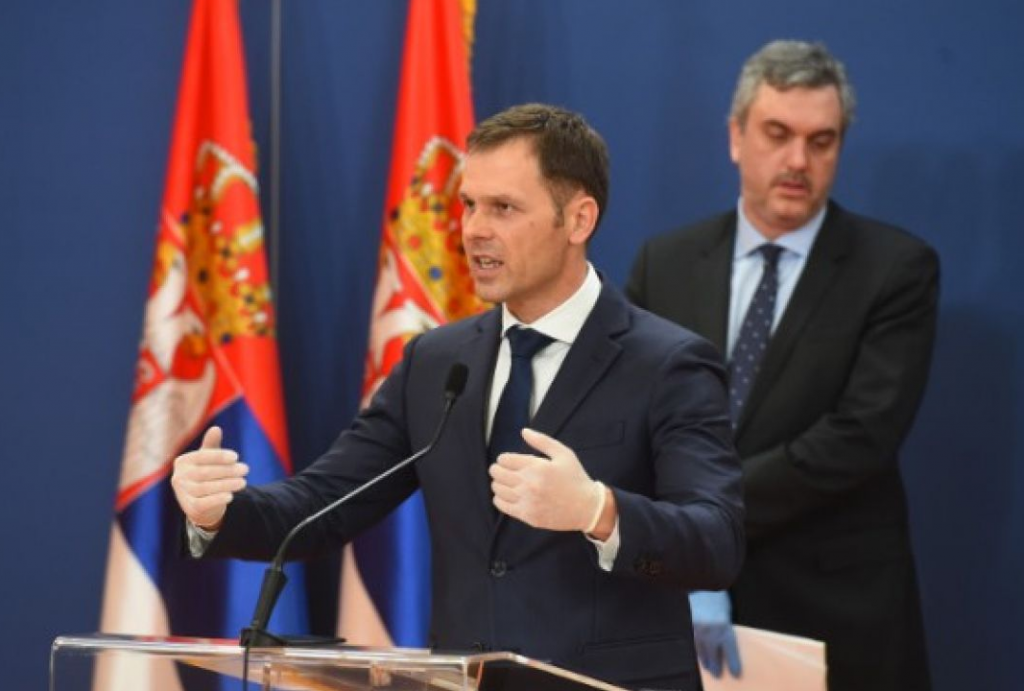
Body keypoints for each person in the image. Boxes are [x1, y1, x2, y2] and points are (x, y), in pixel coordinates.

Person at [172, 103, 745, 691]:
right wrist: (218, 512)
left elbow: (716, 544)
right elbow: (322, 506)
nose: (472, 229)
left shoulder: (668, 363)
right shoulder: (436, 362)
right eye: (469, 204)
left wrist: (597, 510)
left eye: (503, 208)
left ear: (578, 219)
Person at [627, 41, 937, 691]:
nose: (798, 160)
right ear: (736, 136)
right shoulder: (666, 263)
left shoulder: (896, 269)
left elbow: (858, 437)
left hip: (833, 614)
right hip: (674, 607)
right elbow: (632, 419)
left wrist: (702, 520)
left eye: (822, 141)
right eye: (778, 134)